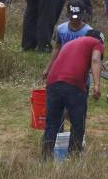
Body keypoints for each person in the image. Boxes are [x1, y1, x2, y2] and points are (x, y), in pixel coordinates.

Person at [41, 31, 103, 159]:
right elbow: (96, 59)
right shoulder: (97, 43)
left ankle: (46, 159)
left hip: (52, 83)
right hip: (73, 84)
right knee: (77, 123)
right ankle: (74, 157)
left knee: (52, 123)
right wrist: (97, 85)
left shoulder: (69, 44)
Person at [43, 0, 101, 81]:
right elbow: (57, 48)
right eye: (72, 17)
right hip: (63, 69)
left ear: (83, 14)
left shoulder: (89, 32)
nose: (74, 20)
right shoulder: (60, 29)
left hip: (81, 73)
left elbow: (94, 55)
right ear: (67, 14)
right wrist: (48, 68)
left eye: (77, 17)